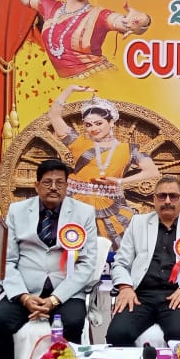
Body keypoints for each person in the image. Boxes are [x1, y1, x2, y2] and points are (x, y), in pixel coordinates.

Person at [0, 159, 98, 359]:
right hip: (26, 290)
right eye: (48, 182)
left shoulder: (84, 213)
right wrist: (23, 296)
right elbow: (7, 260)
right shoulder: (17, 211)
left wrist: (55, 299)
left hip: (65, 291)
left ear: (67, 186)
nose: (54, 187)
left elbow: (87, 264)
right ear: (36, 185)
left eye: (60, 183)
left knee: (73, 321)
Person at [107, 176, 180, 346]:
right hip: (140, 296)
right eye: (162, 196)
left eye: (173, 196)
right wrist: (125, 287)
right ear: (154, 199)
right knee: (117, 335)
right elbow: (120, 263)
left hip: (178, 295)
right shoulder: (138, 223)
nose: (167, 201)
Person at [47, 84, 160, 248]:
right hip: (75, 202)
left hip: (110, 205)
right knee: (71, 245)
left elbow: (152, 171)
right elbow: (54, 116)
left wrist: (120, 182)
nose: (93, 129)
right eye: (88, 125)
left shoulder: (129, 150)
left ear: (111, 122)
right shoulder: (78, 143)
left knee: (113, 247)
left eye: (98, 123)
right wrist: (69, 89)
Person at [14, 0, 151, 79]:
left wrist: (139, 21)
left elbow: (120, 22)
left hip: (98, 81)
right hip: (65, 86)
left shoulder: (99, 15)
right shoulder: (50, 7)